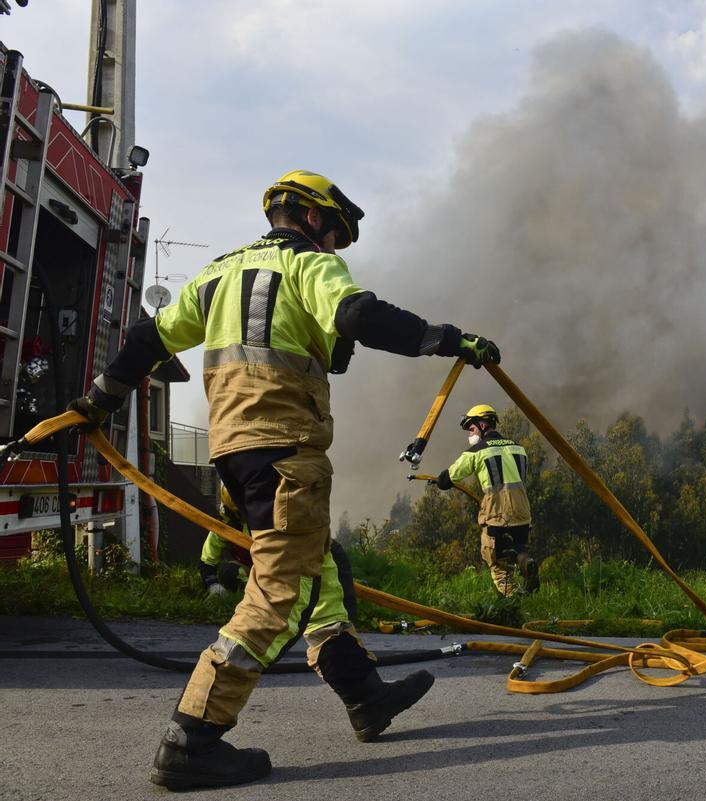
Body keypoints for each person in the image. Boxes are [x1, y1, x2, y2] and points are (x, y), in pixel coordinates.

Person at [66, 170, 501, 790]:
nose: (334, 248)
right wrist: (446, 338)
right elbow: (356, 314)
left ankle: (363, 694)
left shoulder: (216, 275)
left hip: (234, 453)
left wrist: (96, 402)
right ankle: (194, 735)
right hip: (285, 450)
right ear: (316, 219)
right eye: (335, 234)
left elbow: (147, 340)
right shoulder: (307, 266)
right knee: (280, 591)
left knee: (316, 566)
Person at [201, 485, 356, 622]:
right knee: (229, 572)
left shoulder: (276, 516)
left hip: (283, 568)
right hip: (253, 571)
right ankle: (253, 602)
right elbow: (207, 559)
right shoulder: (225, 526)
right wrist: (213, 585)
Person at [435, 404, 538, 596]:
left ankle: (514, 605)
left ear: (482, 425)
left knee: (497, 564)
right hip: (523, 514)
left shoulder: (476, 452)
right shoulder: (519, 448)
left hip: (497, 515)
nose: (470, 434)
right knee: (518, 549)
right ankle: (526, 562)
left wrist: (440, 480)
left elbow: (448, 478)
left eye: (471, 428)